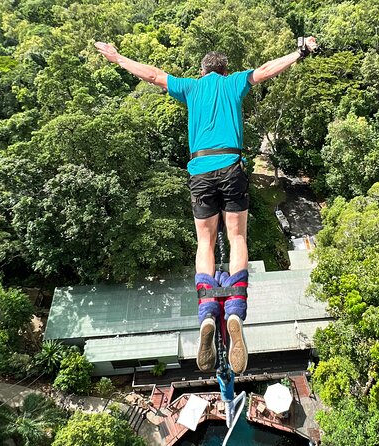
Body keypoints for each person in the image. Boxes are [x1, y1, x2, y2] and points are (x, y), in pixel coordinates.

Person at [95, 37, 318, 375]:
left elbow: (153, 75)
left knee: (205, 241)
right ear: (224, 70)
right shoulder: (234, 82)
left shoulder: (190, 88)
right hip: (231, 166)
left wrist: (117, 58)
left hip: (200, 170)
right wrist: (299, 52)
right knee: (237, 237)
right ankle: (234, 309)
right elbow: (268, 69)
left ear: (202, 71)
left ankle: (207, 312)